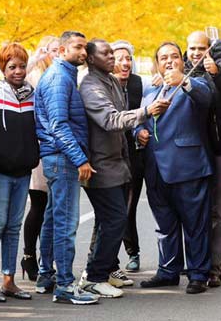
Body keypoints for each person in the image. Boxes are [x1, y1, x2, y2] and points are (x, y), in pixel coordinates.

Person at [78, 39, 169, 298]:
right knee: (115, 218)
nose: (114, 58)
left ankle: (103, 271)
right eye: (106, 54)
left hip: (118, 162)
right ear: (91, 59)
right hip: (100, 164)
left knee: (112, 220)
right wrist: (146, 112)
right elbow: (110, 119)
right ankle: (94, 277)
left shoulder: (111, 81)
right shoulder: (90, 85)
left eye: (115, 54)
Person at [136, 41, 213, 294]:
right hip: (155, 168)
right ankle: (168, 271)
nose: (169, 62)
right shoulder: (150, 91)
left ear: (183, 61)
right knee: (165, 225)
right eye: (163, 58)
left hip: (188, 166)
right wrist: (139, 132)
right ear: (157, 64)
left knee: (195, 225)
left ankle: (198, 274)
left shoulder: (196, 83)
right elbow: (140, 118)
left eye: (174, 57)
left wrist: (184, 80)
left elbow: (206, 99)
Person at [34, 31, 99, 305]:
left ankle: (46, 275)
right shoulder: (59, 78)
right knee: (65, 223)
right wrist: (80, 159)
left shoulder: (63, 75)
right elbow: (59, 125)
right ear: (61, 51)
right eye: (77, 47)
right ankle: (65, 286)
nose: (83, 52)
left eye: (85, 47)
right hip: (62, 158)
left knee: (52, 218)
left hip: (58, 158)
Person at [0, 43, 40, 302]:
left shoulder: (31, 94)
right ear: (3, 68)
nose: (18, 71)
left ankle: (9, 280)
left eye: (22, 66)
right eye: (12, 66)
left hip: (23, 171)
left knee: (14, 227)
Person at [184, 31, 221, 287]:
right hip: (194, 150)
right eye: (191, 48)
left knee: (219, 212)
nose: (195, 53)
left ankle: (214, 267)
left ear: (210, 48)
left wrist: (214, 71)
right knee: (197, 210)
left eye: (200, 48)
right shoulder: (182, 70)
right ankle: (204, 262)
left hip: (220, 149)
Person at [22, 35, 60, 281]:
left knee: (52, 209)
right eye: (52, 50)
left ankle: (47, 260)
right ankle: (29, 256)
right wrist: (35, 59)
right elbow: (16, 76)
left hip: (57, 148)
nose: (56, 54)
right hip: (38, 147)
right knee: (39, 205)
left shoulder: (63, 75)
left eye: (60, 49)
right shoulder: (35, 76)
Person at [111, 40, 145, 273]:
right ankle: (109, 259)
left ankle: (133, 253)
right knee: (114, 207)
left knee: (129, 205)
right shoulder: (104, 84)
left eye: (128, 58)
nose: (125, 63)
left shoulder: (138, 83)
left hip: (134, 153)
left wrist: (139, 130)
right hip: (110, 152)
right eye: (119, 58)